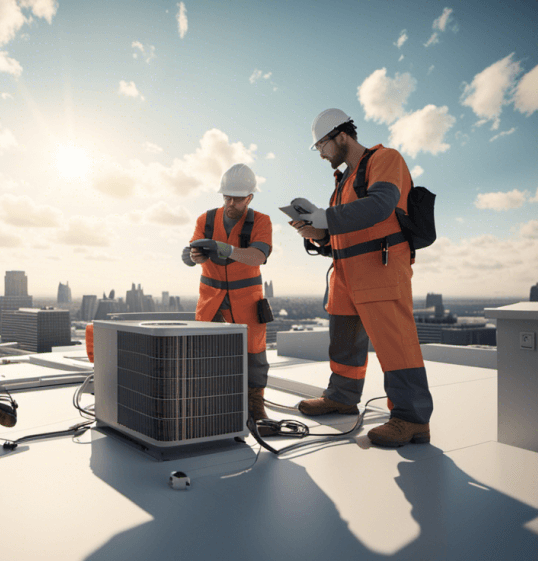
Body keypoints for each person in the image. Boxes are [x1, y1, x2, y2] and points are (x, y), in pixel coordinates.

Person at [290, 108, 432, 448]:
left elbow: (381, 206)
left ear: (342, 136)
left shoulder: (385, 159)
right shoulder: (342, 182)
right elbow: (340, 233)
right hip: (345, 273)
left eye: (322, 146)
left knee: (395, 344)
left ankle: (412, 419)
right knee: (344, 342)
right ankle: (341, 396)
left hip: (379, 267)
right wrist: (316, 233)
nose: (322, 154)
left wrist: (325, 217)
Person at [182, 164, 275, 435]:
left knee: (254, 354)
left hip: (246, 300)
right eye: (226, 197)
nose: (230, 203)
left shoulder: (261, 221)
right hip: (211, 299)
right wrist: (192, 256)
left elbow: (258, 256)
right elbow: (192, 253)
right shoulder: (206, 220)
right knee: (204, 353)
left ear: (250, 197)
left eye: (236, 198)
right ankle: (207, 404)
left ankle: (254, 406)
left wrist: (227, 249)